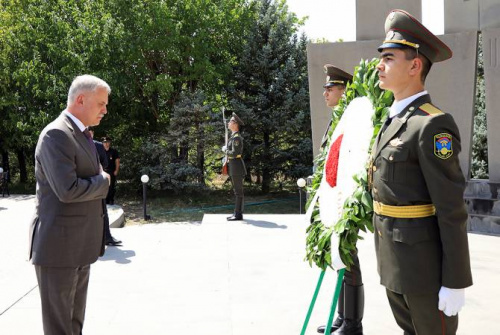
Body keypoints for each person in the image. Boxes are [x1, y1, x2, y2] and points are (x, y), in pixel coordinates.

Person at [370, 9, 473, 334]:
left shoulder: (432, 124)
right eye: (381, 57)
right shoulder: (393, 120)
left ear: (415, 66)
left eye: (388, 58)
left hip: (425, 269)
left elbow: (451, 208)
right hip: (395, 262)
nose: (379, 65)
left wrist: (455, 280)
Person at [29, 74, 111, 334]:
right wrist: (104, 182)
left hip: (78, 246)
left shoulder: (81, 134)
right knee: (59, 327)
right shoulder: (56, 134)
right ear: (80, 99)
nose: (105, 110)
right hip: (58, 248)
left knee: (74, 325)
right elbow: (68, 190)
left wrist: (98, 179)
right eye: (101, 104)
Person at [317, 66, 364, 335]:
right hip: (333, 199)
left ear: (344, 90)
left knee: (349, 260)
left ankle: (353, 324)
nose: (325, 92)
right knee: (340, 259)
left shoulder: (351, 120)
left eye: (330, 88)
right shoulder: (338, 119)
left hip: (345, 200)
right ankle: (343, 316)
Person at [89, 128, 122, 247]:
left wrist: (100, 172)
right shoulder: (74, 143)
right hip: (82, 184)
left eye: (90, 131)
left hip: (97, 181)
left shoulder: (98, 146)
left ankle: (107, 237)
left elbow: (105, 162)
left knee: (102, 210)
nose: (88, 134)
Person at [223, 113, 246, 221]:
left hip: (237, 167)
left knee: (238, 192)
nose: (228, 123)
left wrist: (225, 150)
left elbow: (234, 153)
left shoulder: (237, 138)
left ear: (235, 124)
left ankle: (238, 214)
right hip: (234, 167)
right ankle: (237, 213)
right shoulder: (233, 137)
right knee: (237, 192)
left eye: (230, 121)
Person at [102, 136, 120, 205]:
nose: (106, 144)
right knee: (103, 186)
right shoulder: (101, 151)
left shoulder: (113, 151)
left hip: (111, 171)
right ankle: (104, 200)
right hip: (103, 171)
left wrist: (116, 170)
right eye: (104, 142)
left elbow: (117, 161)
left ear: (110, 143)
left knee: (111, 186)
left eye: (107, 142)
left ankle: (111, 200)